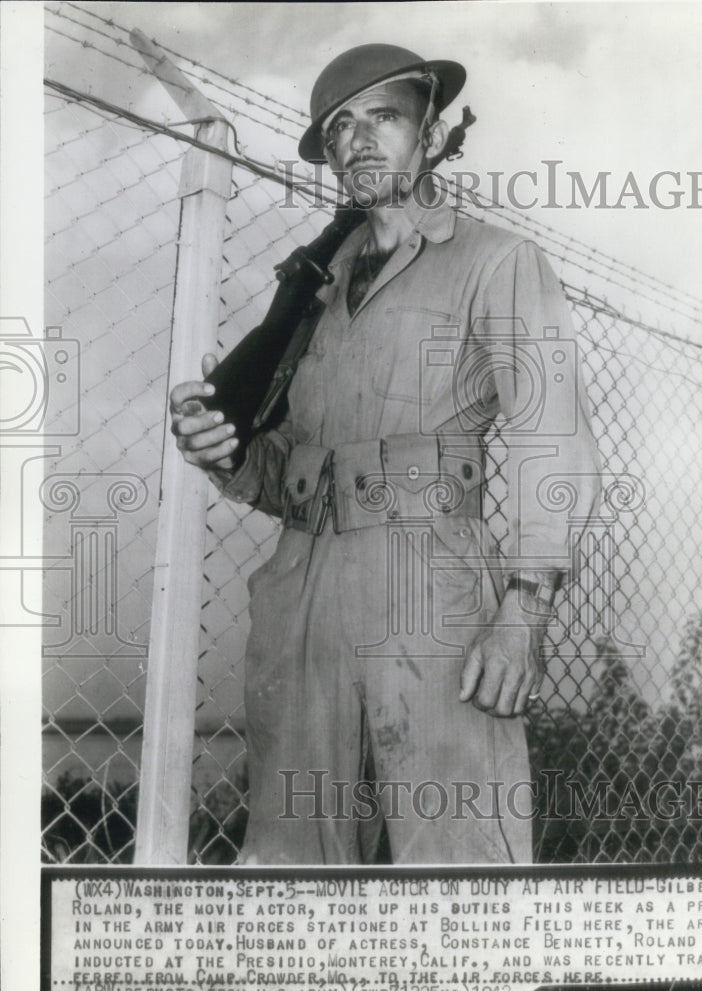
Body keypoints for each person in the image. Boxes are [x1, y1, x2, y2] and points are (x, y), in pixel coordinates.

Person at [170, 44, 601, 864]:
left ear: (430, 135)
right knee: (292, 872)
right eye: (339, 129)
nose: (359, 140)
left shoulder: (496, 262)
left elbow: (558, 440)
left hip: (430, 596)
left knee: (459, 868)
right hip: (299, 599)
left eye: (384, 117)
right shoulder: (310, 289)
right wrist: (223, 451)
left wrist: (523, 611)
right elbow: (290, 470)